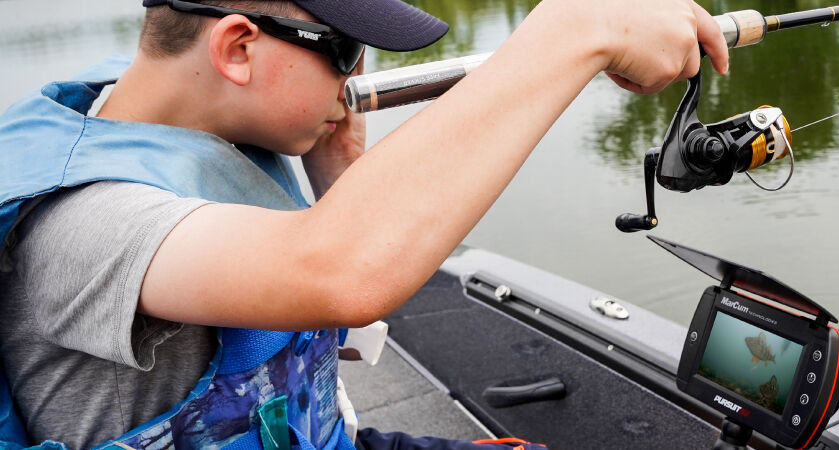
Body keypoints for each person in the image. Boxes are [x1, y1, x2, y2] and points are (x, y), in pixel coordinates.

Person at [0, 0, 730, 448]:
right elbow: (337, 273)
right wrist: (580, 26)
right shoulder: (85, 219)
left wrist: (340, 174)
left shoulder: (170, 109)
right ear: (237, 48)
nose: (353, 80)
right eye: (342, 52)